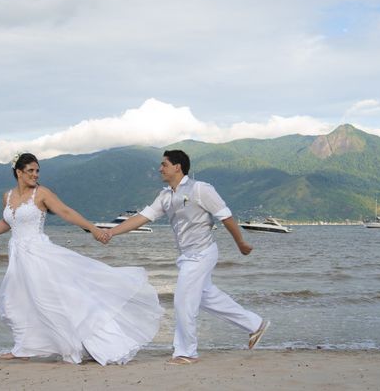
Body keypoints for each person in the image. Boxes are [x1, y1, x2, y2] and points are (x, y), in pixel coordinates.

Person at [0, 153, 163, 365]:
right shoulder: (7, 196)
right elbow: (8, 222)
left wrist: (93, 229)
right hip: (18, 256)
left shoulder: (41, 193)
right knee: (15, 300)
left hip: (39, 254)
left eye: (37, 171)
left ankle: (94, 343)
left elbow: (66, 212)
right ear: (19, 172)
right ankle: (23, 347)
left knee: (55, 299)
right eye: (31, 171)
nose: (35, 174)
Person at [101, 149, 269, 365]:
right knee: (208, 298)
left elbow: (225, 216)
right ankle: (255, 325)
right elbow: (142, 217)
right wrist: (112, 232)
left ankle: (186, 352)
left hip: (203, 253)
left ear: (177, 167)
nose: (160, 169)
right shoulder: (165, 196)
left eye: (164, 164)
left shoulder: (200, 189)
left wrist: (241, 243)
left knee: (183, 300)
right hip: (187, 256)